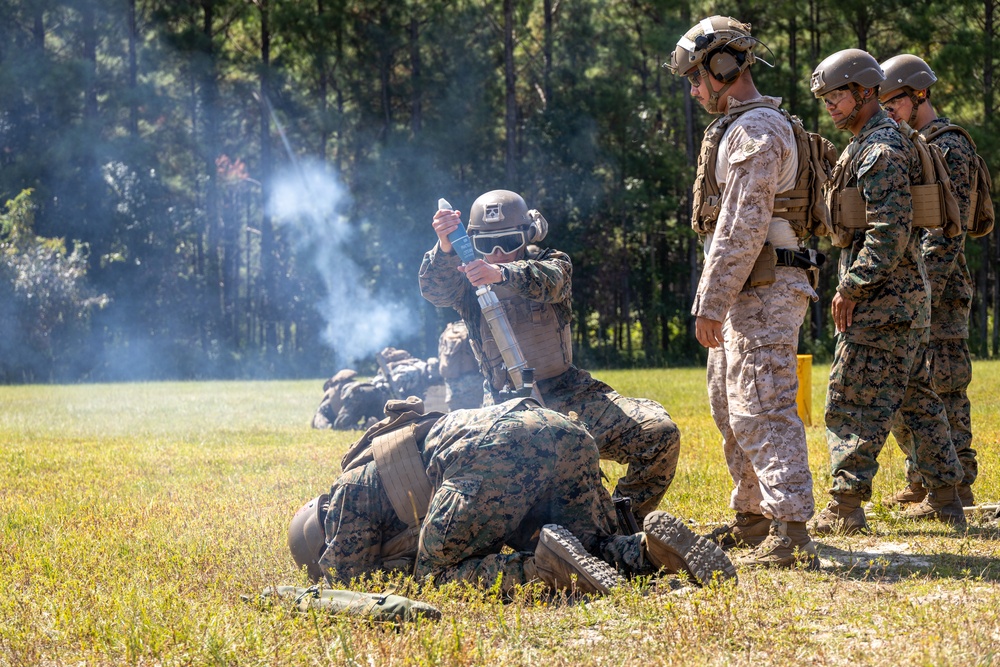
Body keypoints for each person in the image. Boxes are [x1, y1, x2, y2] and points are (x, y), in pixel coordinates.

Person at [289, 397, 736, 595]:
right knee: (591, 547)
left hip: (494, 451)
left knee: (434, 576)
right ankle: (649, 550)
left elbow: (348, 580)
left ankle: (543, 570)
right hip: (563, 432)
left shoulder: (347, 492)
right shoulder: (387, 474)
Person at [418, 189, 680, 524]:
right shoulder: (462, 276)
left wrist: (501, 275)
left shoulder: (552, 262)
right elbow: (434, 290)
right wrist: (444, 246)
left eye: (509, 241)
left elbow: (553, 281)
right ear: (472, 242)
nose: (498, 254)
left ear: (526, 237)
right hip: (505, 406)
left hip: (569, 393)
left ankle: (618, 524)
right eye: (487, 245)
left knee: (659, 433)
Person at [667, 16, 818, 568]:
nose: (692, 90)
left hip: (764, 288)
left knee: (763, 406)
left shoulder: (757, 132)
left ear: (721, 68)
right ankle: (753, 515)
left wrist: (710, 301)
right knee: (731, 408)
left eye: (694, 78)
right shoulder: (742, 128)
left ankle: (791, 531)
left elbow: (741, 224)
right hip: (746, 289)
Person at [809, 49, 965, 534]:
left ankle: (845, 506)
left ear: (866, 92)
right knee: (916, 399)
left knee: (850, 398)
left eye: (839, 95)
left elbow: (889, 230)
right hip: (904, 302)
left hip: (883, 303)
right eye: (827, 98)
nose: (831, 106)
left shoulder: (879, 149)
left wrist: (852, 286)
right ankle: (945, 496)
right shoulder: (883, 140)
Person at [879, 54, 978, 511]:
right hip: (912, 290)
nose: (887, 109)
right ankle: (923, 476)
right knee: (908, 387)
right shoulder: (909, 143)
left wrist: (924, 289)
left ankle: (957, 482)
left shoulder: (950, 146)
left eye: (893, 100)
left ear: (919, 94)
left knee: (945, 384)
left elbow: (947, 233)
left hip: (940, 290)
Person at [436, 321, 484, 411]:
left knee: (455, 416)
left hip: (452, 384)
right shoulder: (472, 330)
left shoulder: (447, 332)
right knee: (474, 415)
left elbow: (441, 357)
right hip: (473, 381)